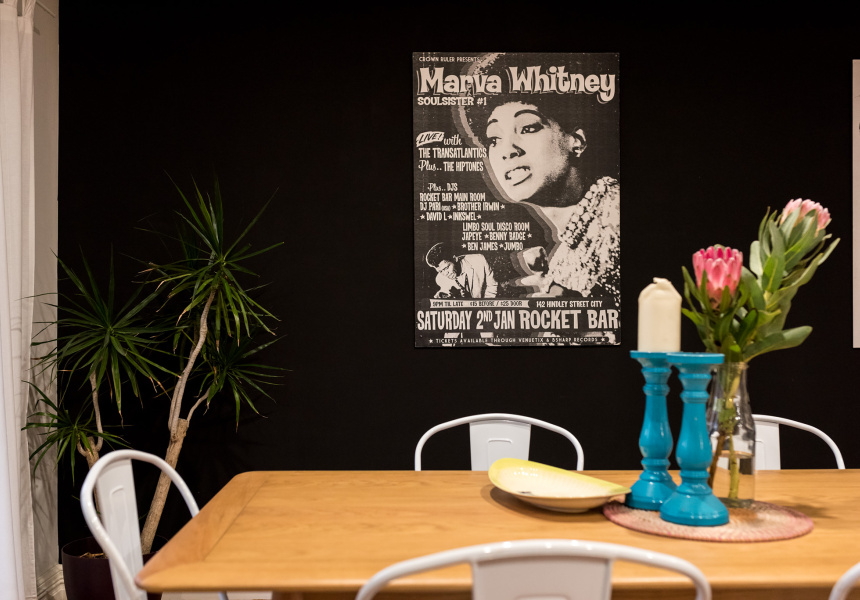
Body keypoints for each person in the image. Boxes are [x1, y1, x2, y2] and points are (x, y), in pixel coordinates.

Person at [457, 52, 620, 303]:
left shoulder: (615, 213)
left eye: (528, 128)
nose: (507, 150)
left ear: (576, 141)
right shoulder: (562, 258)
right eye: (494, 139)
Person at [425, 242, 498, 298]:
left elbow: (492, 285)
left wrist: (485, 306)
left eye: (446, 268)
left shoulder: (479, 260)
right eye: (440, 271)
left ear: (455, 259)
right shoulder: (440, 279)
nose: (445, 273)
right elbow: (446, 291)